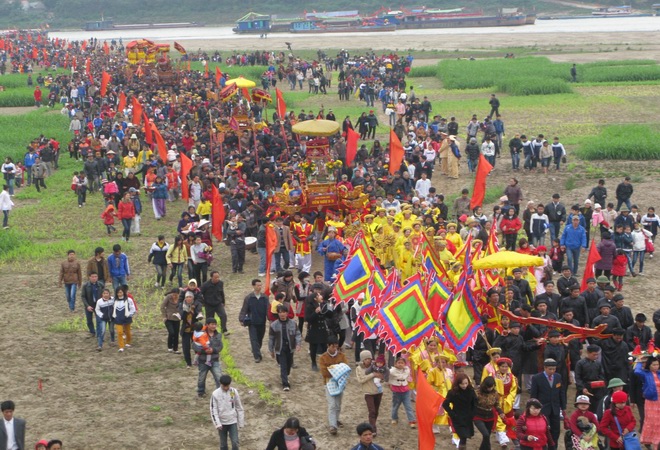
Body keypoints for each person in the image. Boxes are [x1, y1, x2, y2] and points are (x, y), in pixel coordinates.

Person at [530, 359, 566, 450]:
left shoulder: (558, 377)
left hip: (555, 408)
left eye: (554, 369)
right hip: (543, 409)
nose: (552, 371)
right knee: (545, 430)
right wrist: (533, 407)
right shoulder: (537, 378)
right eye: (550, 369)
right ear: (545, 368)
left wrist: (563, 407)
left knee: (556, 430)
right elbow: (534, 395)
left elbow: (561, 392)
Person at [319, 336, 349, 435]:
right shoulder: (323, 357)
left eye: (336, 346)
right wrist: (337, 370)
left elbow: (346, 368)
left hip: (339, 383)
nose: (335, 349)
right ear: (328, 346)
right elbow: (324, 372)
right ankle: (333, 425)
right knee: (332, 404)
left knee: (338, 404)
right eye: (333, 346)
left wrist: (332, 369)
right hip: (328, 383)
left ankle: (335, 419)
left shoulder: (342, 356)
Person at [268, 304, 302, 391]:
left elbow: (297, 334)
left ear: (287, 313)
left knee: (288, 365)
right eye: (280, 312)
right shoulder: (274, 325)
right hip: (280, 348)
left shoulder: (293, 323)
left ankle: (285, 376)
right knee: (283, 365)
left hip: (290, 347)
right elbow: (271, 338)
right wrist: (271, 350)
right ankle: (285, 384)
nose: (282, 314)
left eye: (283, 312)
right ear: (278, 314)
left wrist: (298, 344)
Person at [443, 373, 477, 450]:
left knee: (465, 437)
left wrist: (473, 413)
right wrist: (452, 414)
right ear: (458, 383)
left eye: (466, 383)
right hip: (458, 417)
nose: (464, 385)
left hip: (468, 417)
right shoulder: (452, 392)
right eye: (462, 384)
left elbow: (475, 403)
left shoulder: (471, 391)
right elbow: (445, 404)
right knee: (463, 436)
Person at [210, 375, 244, 450]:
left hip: (233, 421)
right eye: (224, 386)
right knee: (223, 444)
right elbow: (213, 410)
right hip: (222, 423)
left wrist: (240, 422)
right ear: (220, 384)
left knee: (235, 443)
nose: (226, 388)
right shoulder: (215, 394)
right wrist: (217, 423)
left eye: (227, 386)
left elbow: (239, 407)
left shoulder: (234, 392)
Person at [238, 279, 268, 363]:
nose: (259, 287)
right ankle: (257, 356)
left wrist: (270, 319)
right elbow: (244, 309)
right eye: (258, 285)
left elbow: (267, 309)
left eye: (260, 285)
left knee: (260, 338)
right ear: (253, 286)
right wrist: (241, 319)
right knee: (254, 339)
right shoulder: (249, 298)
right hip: (252, 322)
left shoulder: (264, 297)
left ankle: (256, 350)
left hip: (262, 321)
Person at [194, 318, 223, 398]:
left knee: (219, 376)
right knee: (201, 378)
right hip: (203, 360)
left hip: (214, 360)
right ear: (207, 325)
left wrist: (213, 350)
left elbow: (220, 346)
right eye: (212, 324)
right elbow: (194, 345)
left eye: (215, 324)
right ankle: (201, 391)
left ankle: (220, 392)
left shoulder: (218, 335)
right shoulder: (200, 334)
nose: (214, 326)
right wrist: (204, 351)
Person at [634, 355, 660, 448]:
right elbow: (637, 371)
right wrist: (639, 361)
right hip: (651, 400)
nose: (656, 367)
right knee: (651, 420)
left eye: (657, 364)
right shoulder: (645, 374)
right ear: (649, 365)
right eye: (653, 365)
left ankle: (658, 440)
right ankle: (648, 440)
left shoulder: (659, 373)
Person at [474, 376, 505, 450]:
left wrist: (500, 412)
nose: (490, 389)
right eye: (488, 387)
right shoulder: (477, 392)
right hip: (478, 416)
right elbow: (472, 404)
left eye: (491, 387)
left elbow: (497, 404)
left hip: (490, 417)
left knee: (487, 436)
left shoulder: (495, 393)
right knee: (486, 434)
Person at [202, 271, 229, 336]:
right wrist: (203, 303)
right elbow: (200, 294)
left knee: (223, 315)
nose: (217, 279)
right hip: (209, 304)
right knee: (209, 319)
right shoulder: (205, 285)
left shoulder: (220, 283)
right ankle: (208, 332)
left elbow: (222, 293)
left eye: (218, 277)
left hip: (218, 303)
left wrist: (223, 301)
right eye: (215, 277)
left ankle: (224, 330)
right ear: (211, 277)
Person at [80, 271, 104, 337]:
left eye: (95, 277)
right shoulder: (85, 286)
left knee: (99, 320)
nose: (94, 278)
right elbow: (83, 296)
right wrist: (87, 306)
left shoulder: (100, 285)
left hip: (98, 306)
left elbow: (104, 295)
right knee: (89, 320)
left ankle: (99, 332)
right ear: (89, 277)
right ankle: (92, 332)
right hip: (89, 305)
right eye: (92, 277)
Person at [113, 286, 136, 353]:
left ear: (123, 292)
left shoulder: (129, 300)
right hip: (118, 318)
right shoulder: (114, 300)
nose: (119, 294)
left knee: (127, 331)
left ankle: (128, 342)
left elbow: (133, 309)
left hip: (126, 318)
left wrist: (129, 315)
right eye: (118, 292)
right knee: (120, 332)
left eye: (120, 292)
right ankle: (121, 346)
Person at [160, 288, 181, 353]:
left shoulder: (181, 298)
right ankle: (170, 346)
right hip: (168, 318)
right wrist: (164, 316)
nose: (174, 296)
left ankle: (175, 349)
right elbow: (162, 306)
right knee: (171, 332)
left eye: (176, 295)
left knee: (176, 334)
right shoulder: (168, 297)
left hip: (177, 318)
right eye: (173, 295)